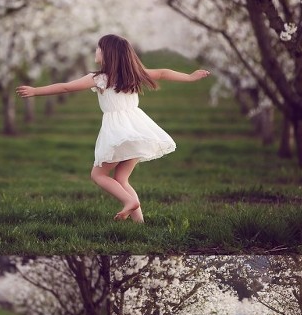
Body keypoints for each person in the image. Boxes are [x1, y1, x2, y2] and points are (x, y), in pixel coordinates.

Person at [16, 34, 211, 222]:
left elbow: (66, 87)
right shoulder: (133, 74)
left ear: (107, 53)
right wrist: (189, 77)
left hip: (118, 131)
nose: (96, 50)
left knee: (98, 175)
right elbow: (162, 73)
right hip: (138, 129)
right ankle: (139, 223)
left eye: (98, 48)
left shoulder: (100, 78)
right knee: (121, 179)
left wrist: (36, 91)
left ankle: (130, 201)